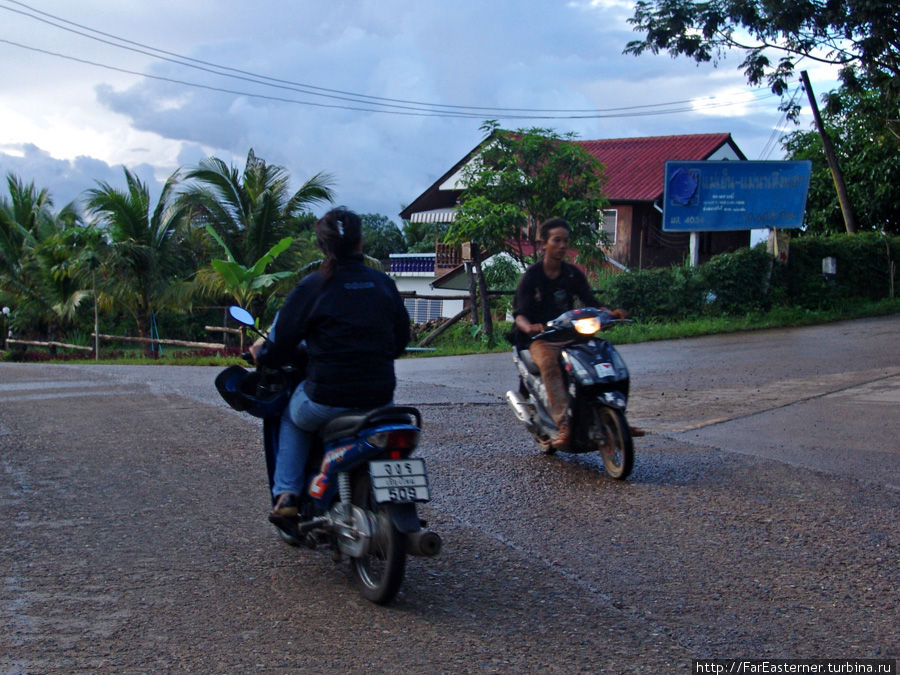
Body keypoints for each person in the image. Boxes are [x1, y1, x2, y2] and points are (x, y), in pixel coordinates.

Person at [250, 207, 410, 520]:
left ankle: (287, 496)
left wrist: (262, 355)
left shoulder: (312, 287)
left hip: (326, 399)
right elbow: (400, 340)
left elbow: (280, 343)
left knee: (292, 418)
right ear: (360, 242)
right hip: (380, 398)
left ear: (323, 247)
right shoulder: (383, 283)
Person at [512, 217, 625, 450]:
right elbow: (520, 314)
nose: (562, 246)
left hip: (572, 333)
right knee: (551, 367)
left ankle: (616, 415)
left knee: (603, 354)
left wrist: (610, 313)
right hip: (542, 339)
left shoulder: (573, 274)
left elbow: (591, 302)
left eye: (566, 241)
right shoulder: (532, 276)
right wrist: (531, 327)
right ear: (544, 243)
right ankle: (563, 426)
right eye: (557, 240)